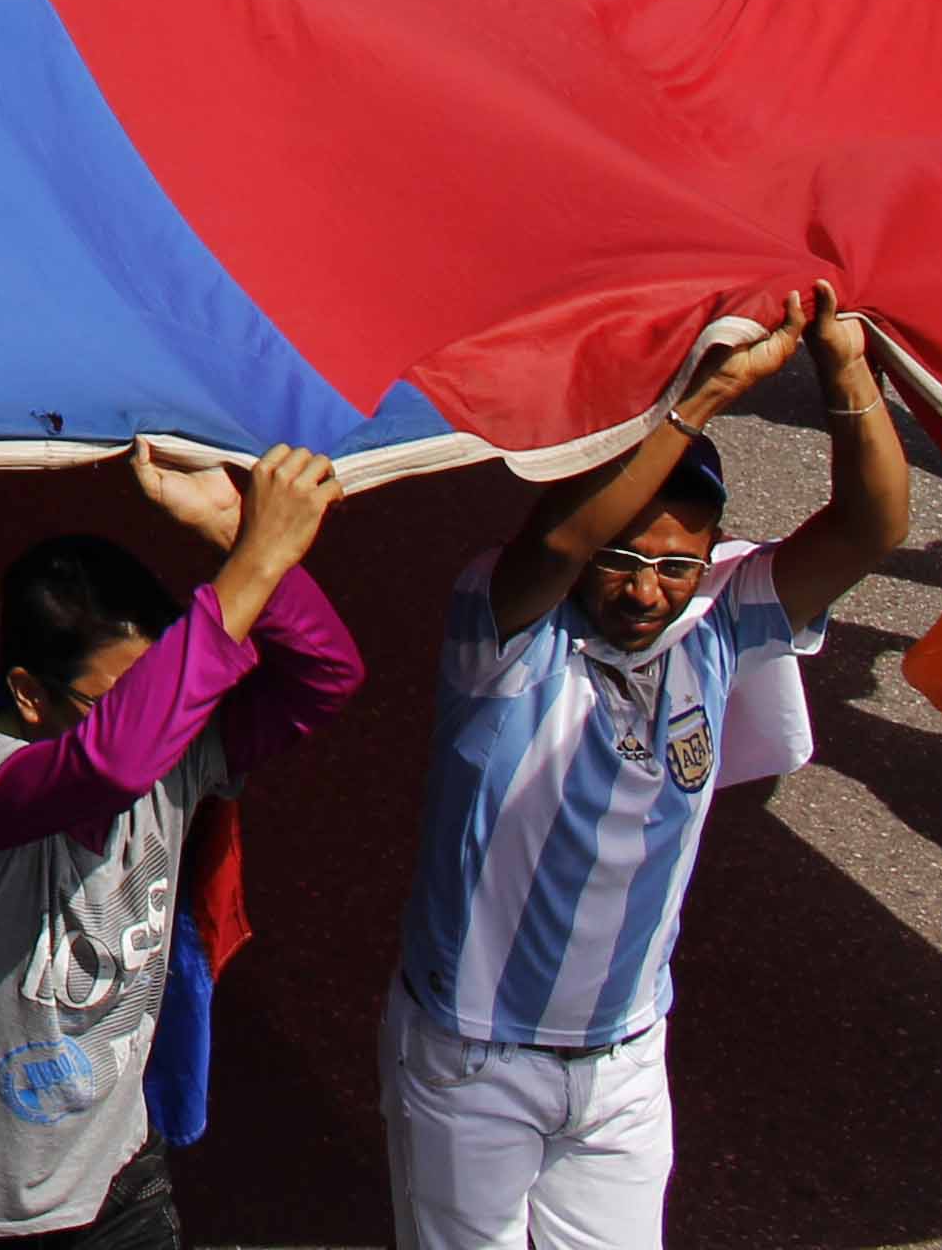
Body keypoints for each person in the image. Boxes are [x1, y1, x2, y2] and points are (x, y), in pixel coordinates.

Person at [383, 295, 909, 1250]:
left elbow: (872, 528)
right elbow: (554, 543)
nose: (643, 589)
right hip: (474, 1060)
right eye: (622, 558)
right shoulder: (506, 631)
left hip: (627, 1061)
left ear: (713, 558)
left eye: (675, 565)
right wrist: (704, 401)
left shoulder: (724, 612)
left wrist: (842, 366)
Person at [0, 443, 358, 1249]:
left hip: (112, 1191)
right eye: (116, 700)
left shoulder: (179, 746)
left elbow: (326, 673)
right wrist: (259, 558)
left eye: (163, 688)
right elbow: (113, 764)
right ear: (27, 694)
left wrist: (231, 528)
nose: (159, 717)